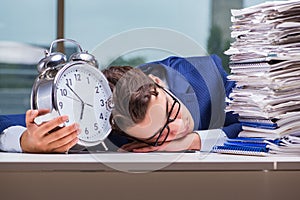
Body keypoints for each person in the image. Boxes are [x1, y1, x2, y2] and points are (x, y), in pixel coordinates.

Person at [0, 55, 241, 153]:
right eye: (159, 134)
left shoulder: (206, 76)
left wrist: (193, 141)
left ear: (158, 83)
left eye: (171, 110)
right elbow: (3, 124)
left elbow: (264, 124)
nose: (178, 128)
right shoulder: (101, 129)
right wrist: (27, 141)